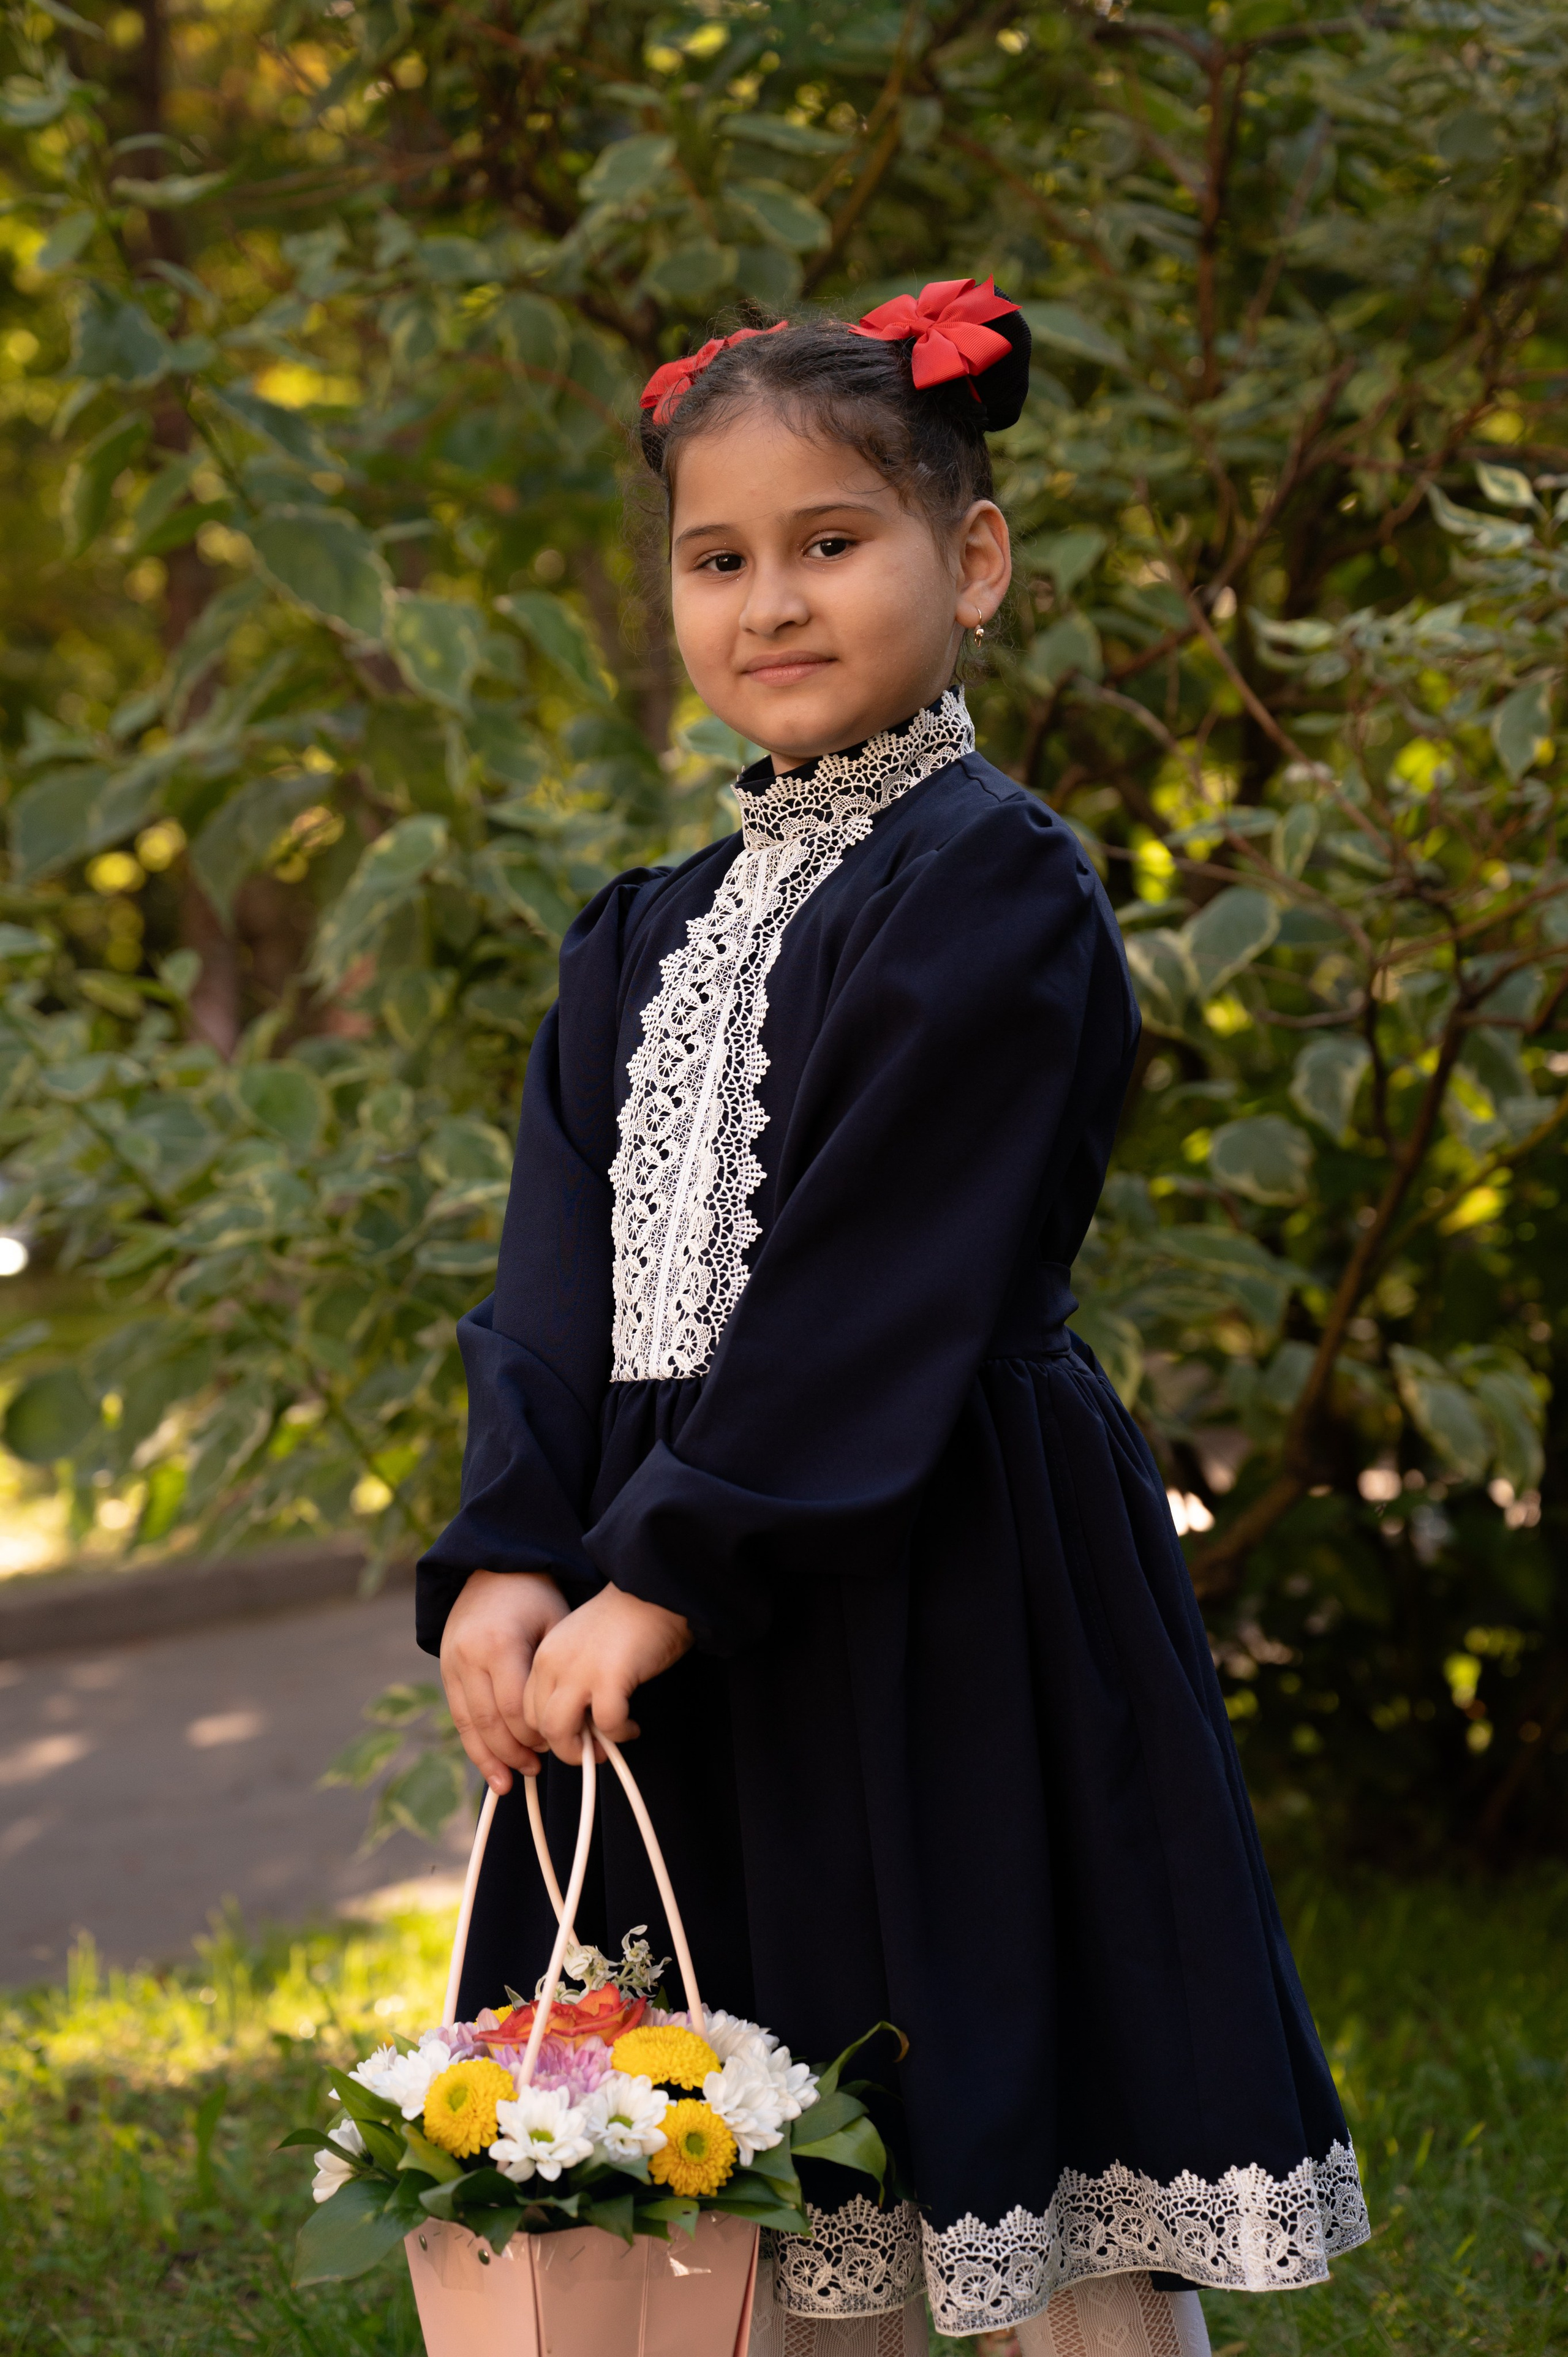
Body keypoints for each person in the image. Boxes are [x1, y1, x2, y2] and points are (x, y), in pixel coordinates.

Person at [415, 279, 1370, 2356]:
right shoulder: (637, 934)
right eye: (717, 559)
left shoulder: (991, 884)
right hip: (663, 1617)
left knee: (997, 2087)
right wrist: (513, 1551)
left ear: (975, 559)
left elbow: (881, 1285)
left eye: (832, 541)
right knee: (741, 2129)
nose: (771, 600)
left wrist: (662, 1574)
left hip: (938, 1581)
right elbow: (552, 1280)